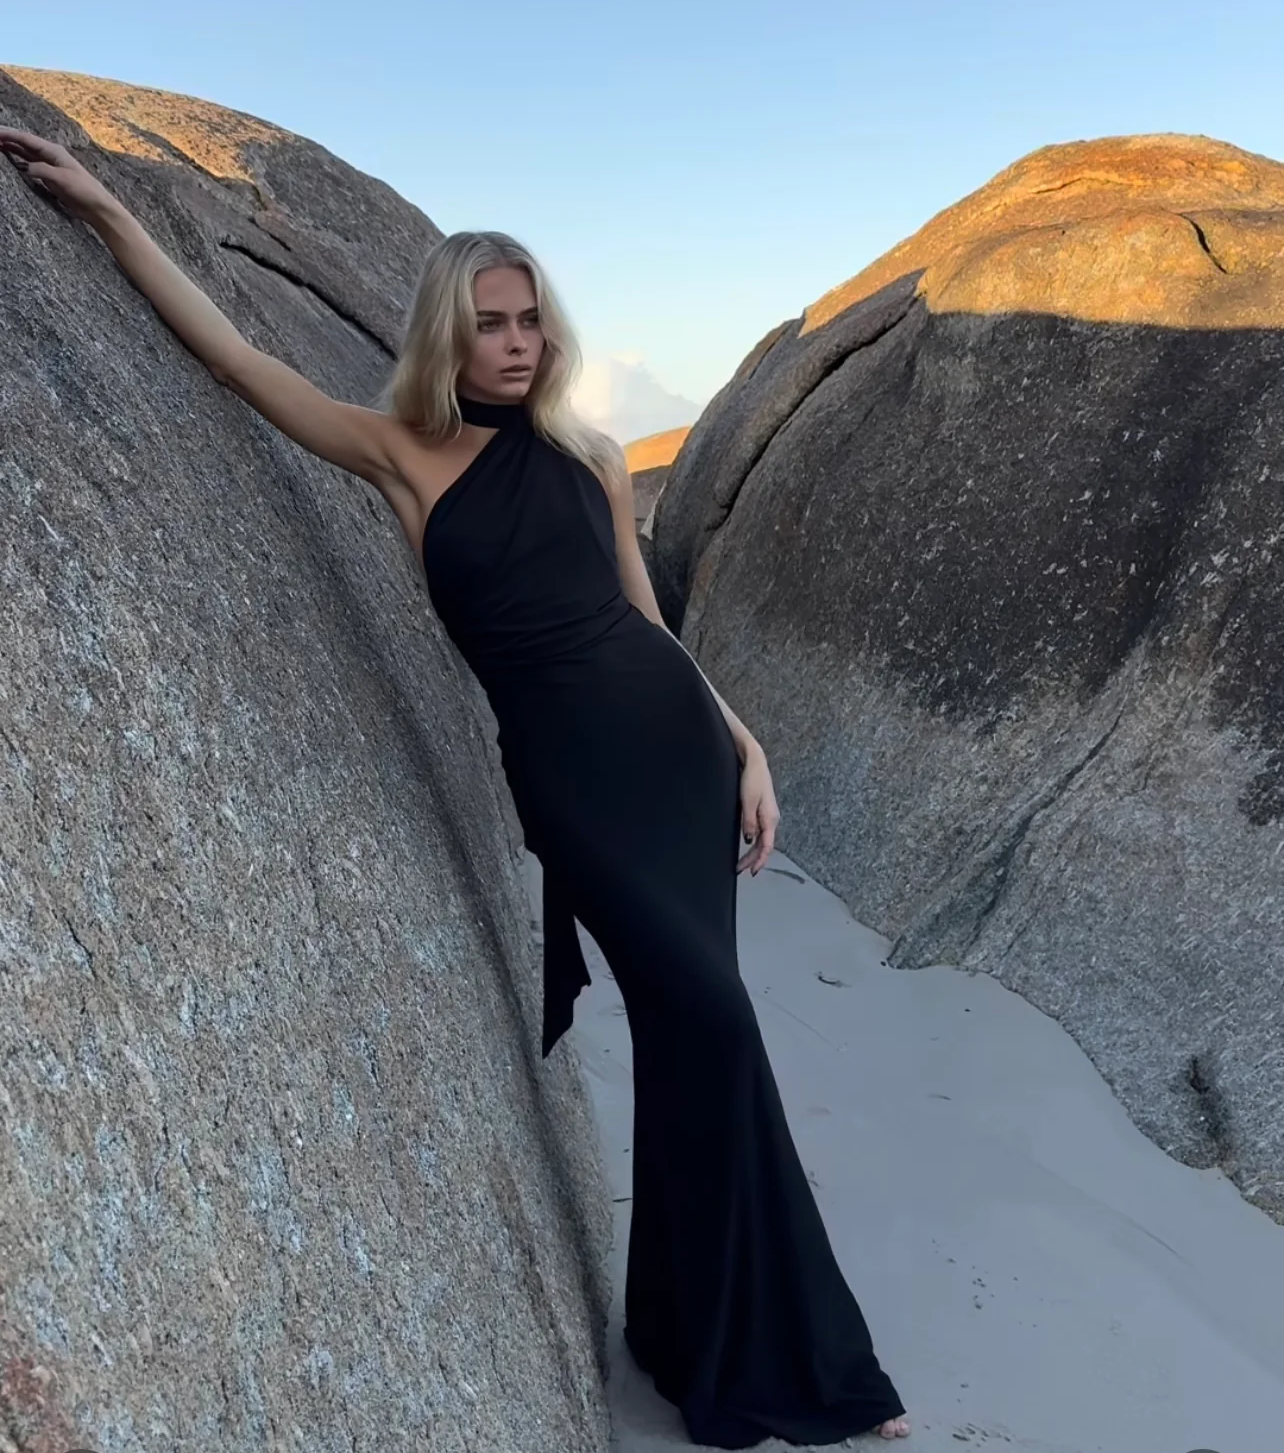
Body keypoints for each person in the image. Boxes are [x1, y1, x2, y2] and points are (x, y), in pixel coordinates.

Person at [1, 125, 911, 1447]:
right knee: (714, 1026)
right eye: (491, 323)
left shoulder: (593, 458)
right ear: (450, 334)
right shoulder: (404, 456)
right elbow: (239, 359)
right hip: (577, 786)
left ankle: (695, 1337)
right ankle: (799, 1358)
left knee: (693, 1038)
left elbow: (647, 623)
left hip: (676, 758)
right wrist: (108, 214)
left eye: (532, 320)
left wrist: (748, 743)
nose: (518, 343)